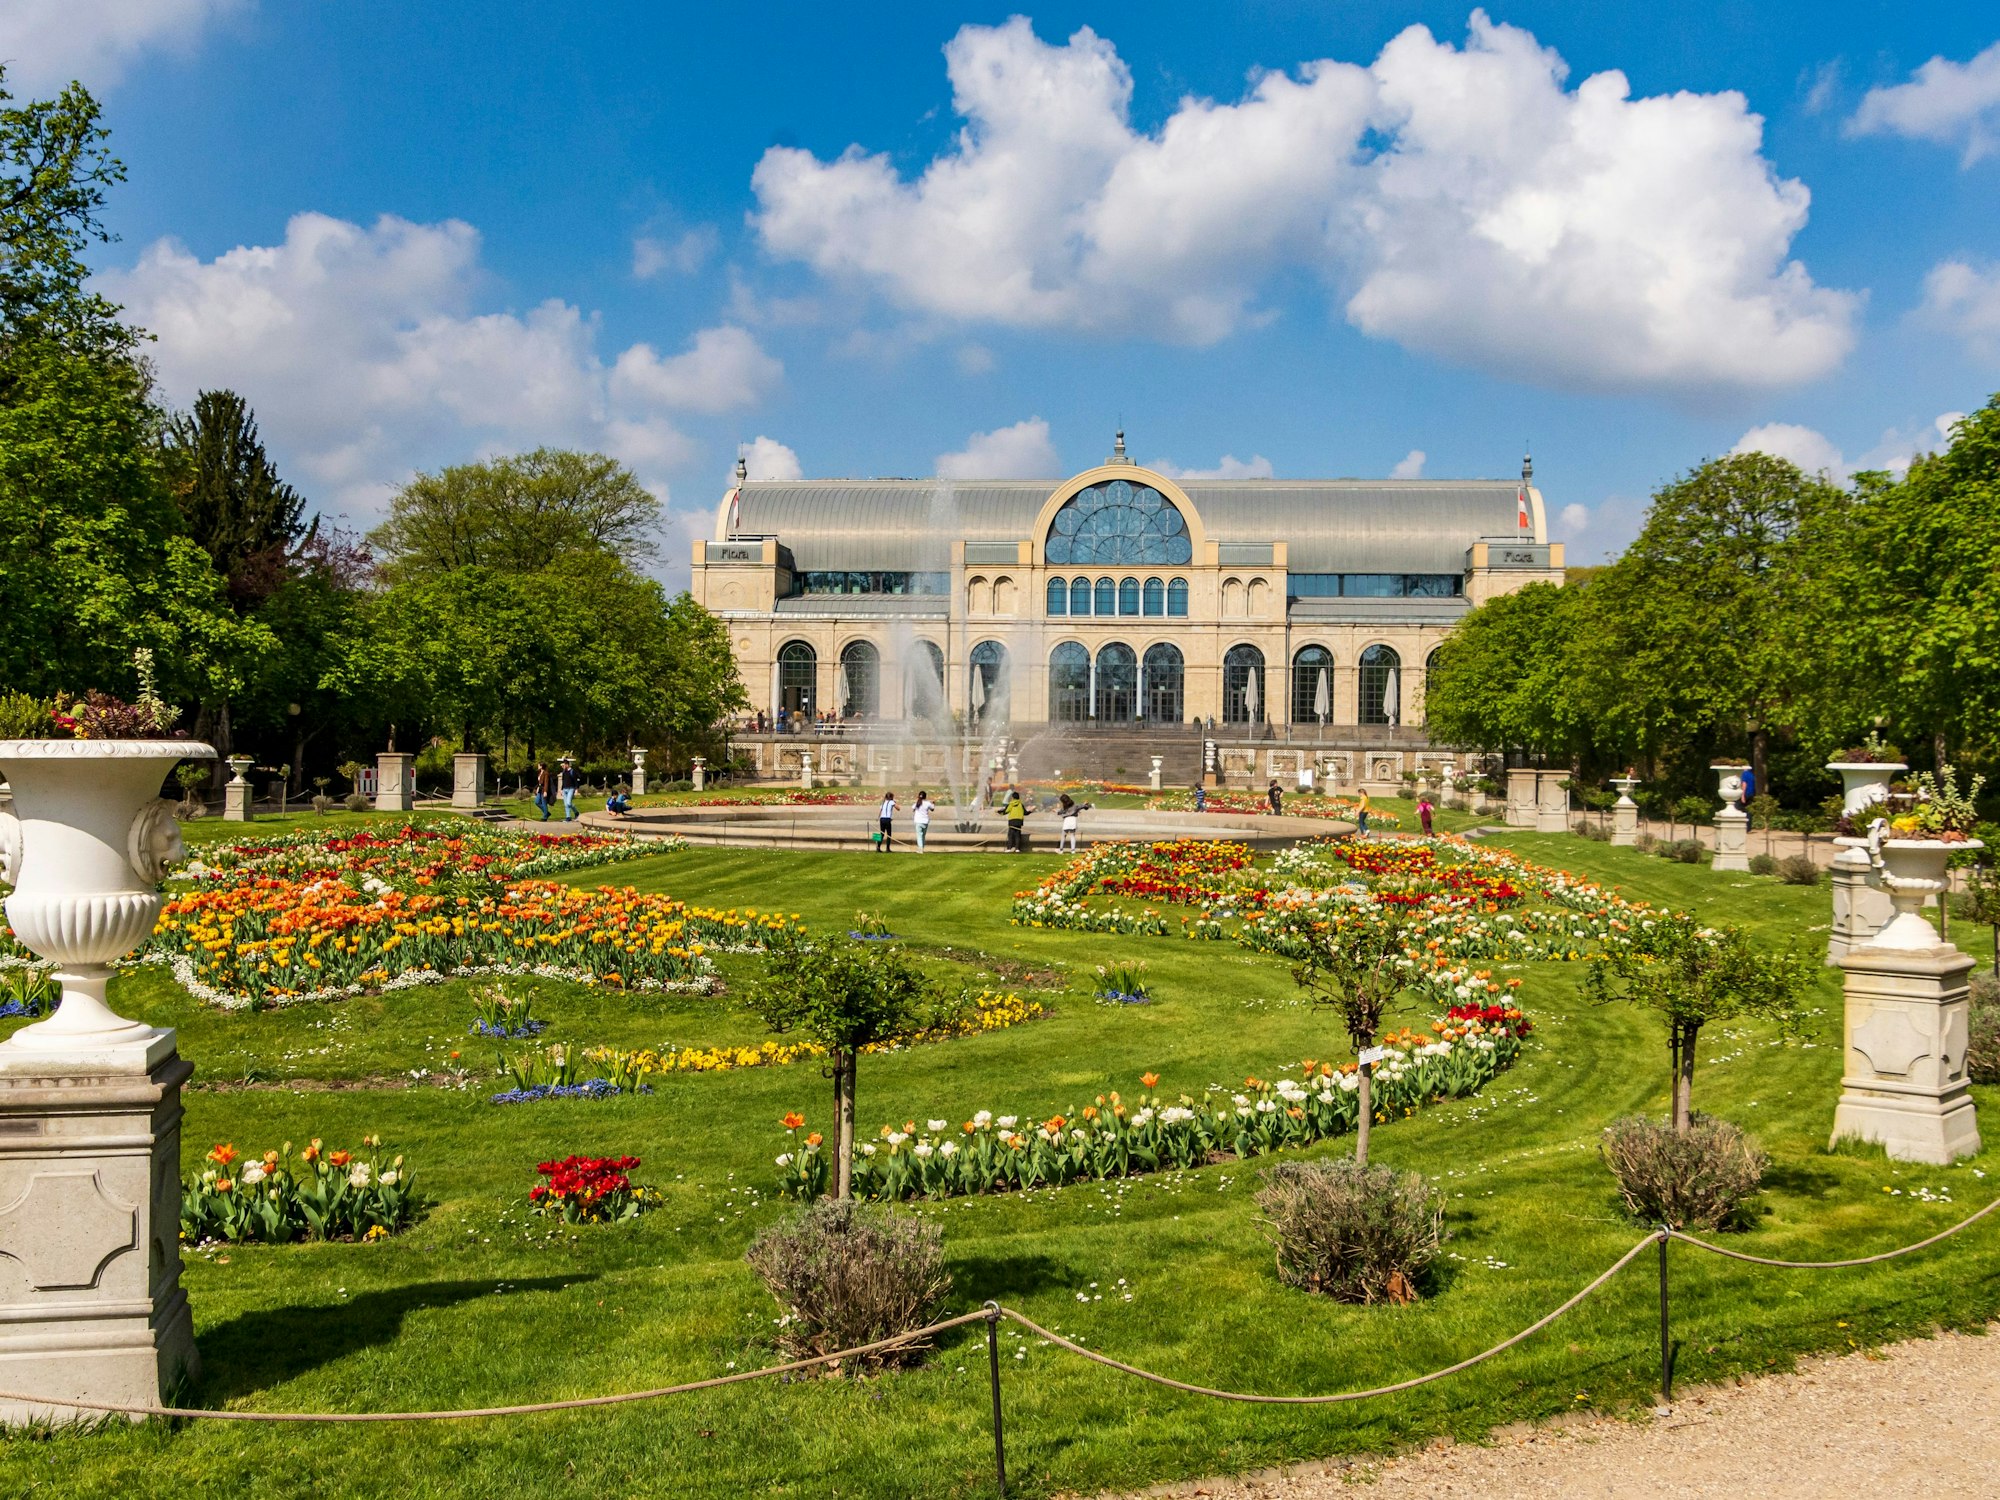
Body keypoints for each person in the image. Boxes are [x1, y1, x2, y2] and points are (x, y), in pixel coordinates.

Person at [1003, 785, 1030, 852]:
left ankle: (1009, 848)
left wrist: (999, 812)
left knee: (1010, 835)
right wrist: (1030, 811)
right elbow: (1025, 813)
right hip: (1019, 821)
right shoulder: (1021, 804)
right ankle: (1017, 848)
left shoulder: (1011, 804)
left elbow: (1006, 811)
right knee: (1018, 835)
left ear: (1012, 797)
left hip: (1012, 821)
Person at [876, 788, 898, 853]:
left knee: (882, 833)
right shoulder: (891, 802)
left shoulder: (883, 803)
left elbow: (880, 811)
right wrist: (895, 802)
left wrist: (878, 818)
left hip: (882, 819)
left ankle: (878, 847)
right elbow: (898, 808)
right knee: (889, 834)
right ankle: (887, 848)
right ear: (891, 797)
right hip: (887, 819)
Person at [558, 757, 580, 822]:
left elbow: (575, 780)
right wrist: (561, 789)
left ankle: (576, 812)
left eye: (564, 765)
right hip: (565, 789)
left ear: (567, 765)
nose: (563, 766)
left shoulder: (572, 771)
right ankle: (568, 817)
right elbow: (563, 780)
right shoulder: (564, 772)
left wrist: (576, 789)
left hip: (571, 788)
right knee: (566, 804)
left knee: (569, 803)